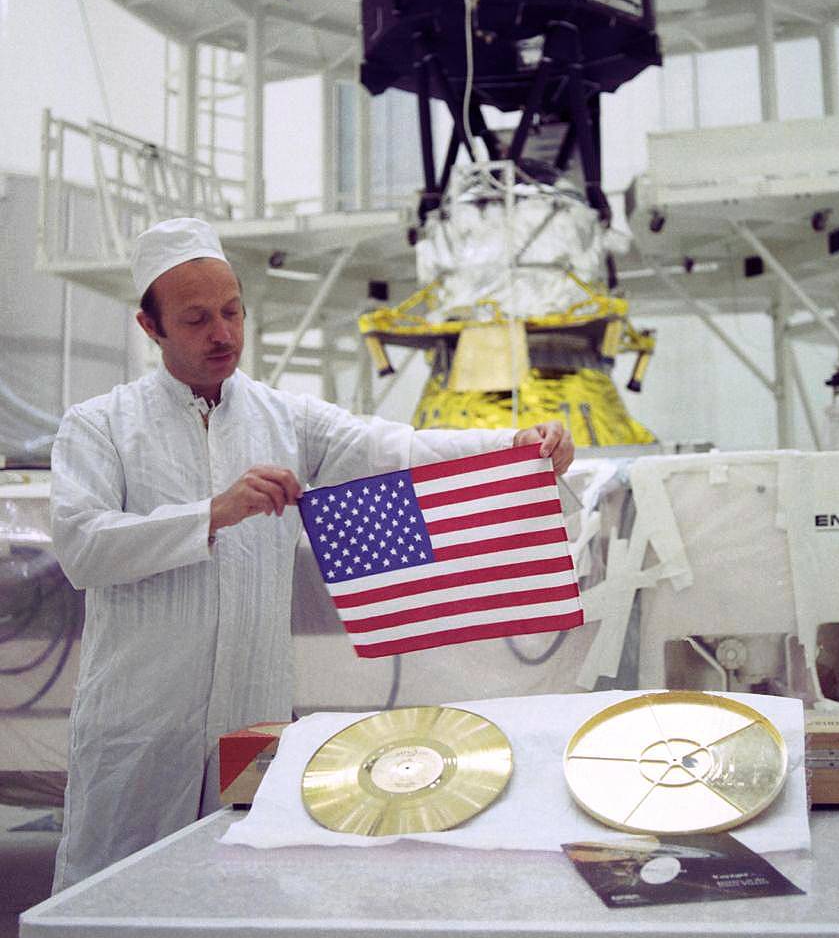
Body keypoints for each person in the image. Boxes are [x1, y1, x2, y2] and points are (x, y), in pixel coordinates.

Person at [49, 217, 573, 890]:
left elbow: (391, 448)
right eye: (196, 319)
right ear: (150, 329)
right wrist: (214, 513)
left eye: (233, 312)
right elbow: (83, 547)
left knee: (240, 882)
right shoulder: (100, 426)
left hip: (252, 719)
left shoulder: (280, 419)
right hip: (139, 724)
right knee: (112, 895)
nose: (223, 334)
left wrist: (508, 446)